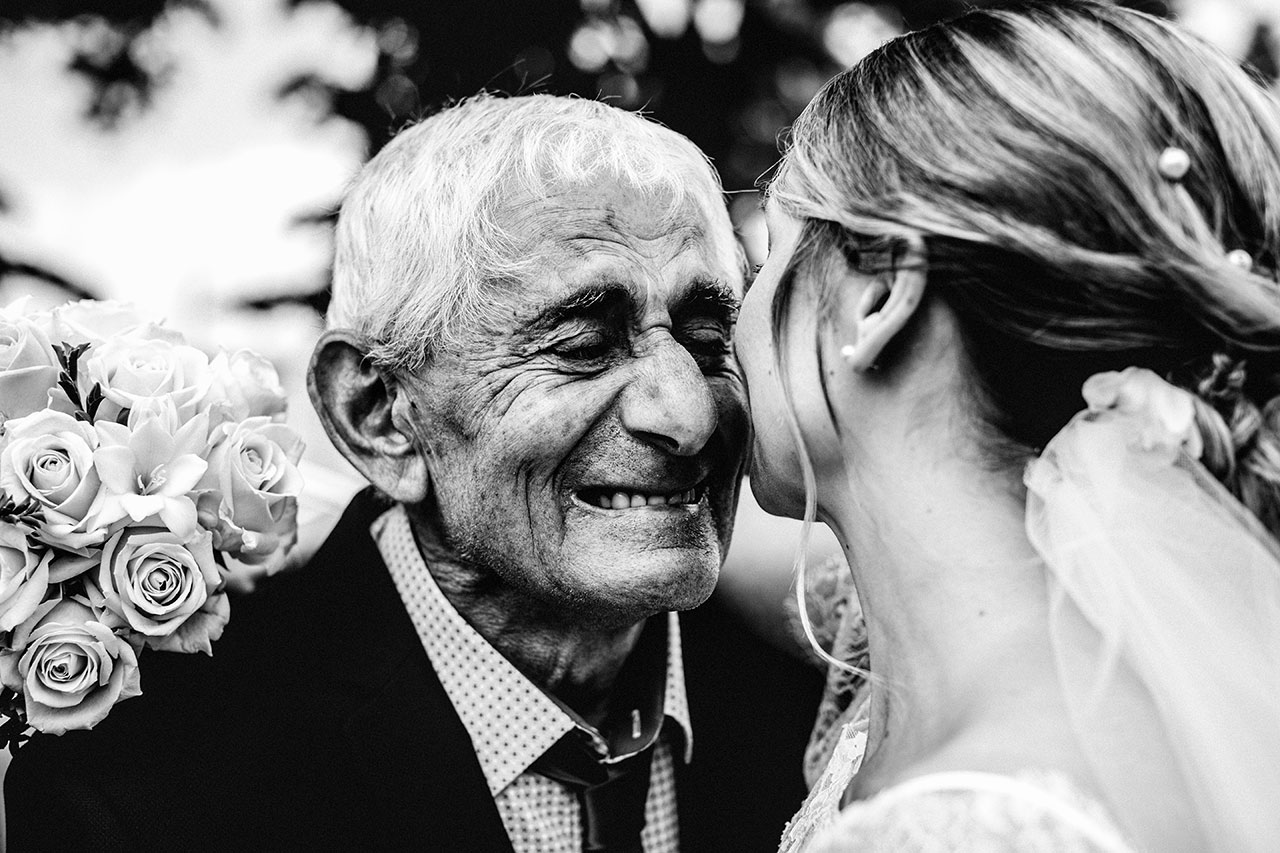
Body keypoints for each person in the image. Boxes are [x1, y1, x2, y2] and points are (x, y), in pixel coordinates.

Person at [4, 94, 822, 852]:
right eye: (582, 347)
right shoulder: (144, 801)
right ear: (380, 413)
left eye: (709, 338)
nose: (687, 415)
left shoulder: (818, 717)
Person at [733, 2, 1280, 851]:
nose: (737, 316)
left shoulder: (961, 827)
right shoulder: (1153, 699)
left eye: (768, 253)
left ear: (881, 297)